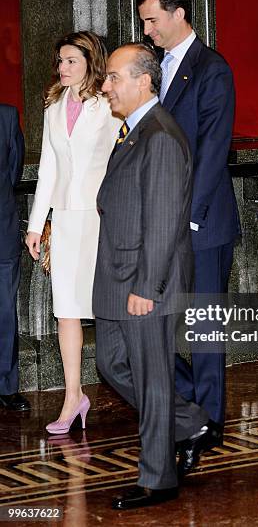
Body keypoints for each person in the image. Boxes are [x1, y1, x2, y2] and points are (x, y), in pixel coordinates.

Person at [94, 42, 220, 510]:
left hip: (144, 281)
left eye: (113, 77)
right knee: (111, 364)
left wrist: (148, 287)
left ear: (144, 81)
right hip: (117, 275)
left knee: (150, 378)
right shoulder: (135, 131)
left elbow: (166, 220)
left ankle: (159, 478)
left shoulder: (161, 135)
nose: (106, 86)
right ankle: (190, 424)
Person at [137, 0, 240, 438]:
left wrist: (187, 217)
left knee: (205, 331)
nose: (147, 31)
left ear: (179, 14)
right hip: (166, 221)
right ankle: (192, 408)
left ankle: (210, 420)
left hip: (202, 223)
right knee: (154, 325)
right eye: (144, 22)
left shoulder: (211, 68)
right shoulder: (157, 68)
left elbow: (213, 152)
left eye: (152, 20)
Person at [26, 31, 120, 433]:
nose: (62, 68)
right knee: (65, 310)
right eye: (60, 61)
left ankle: (141, 389)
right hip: (64, 219)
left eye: (70, 61)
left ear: (89, 62)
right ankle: (72, 397)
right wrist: (35, 225)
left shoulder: (109, 105)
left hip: (102, 218)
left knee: (108, 310)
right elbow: (48, 169)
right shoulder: (53, 107)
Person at [0, 104, 30, 412]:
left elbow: (13, 171)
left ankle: (6, 385)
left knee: (5, 312)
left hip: (2, 230)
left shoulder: (7, 116)